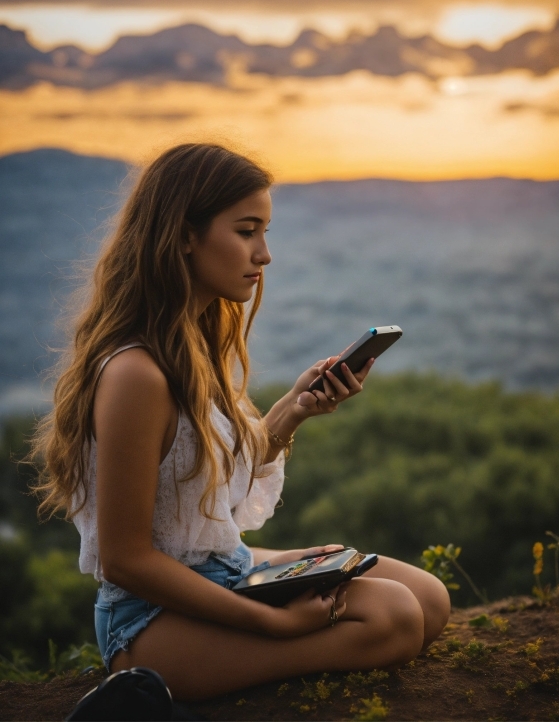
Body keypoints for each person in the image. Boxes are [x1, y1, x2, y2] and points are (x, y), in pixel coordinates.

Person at [32, 143, 450, 701]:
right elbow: (125, 559)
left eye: (265, 232)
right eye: (248, 231)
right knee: (395, 616)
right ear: (184, 234)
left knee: (428, 598)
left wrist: (291, 412)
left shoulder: (191, 344)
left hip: (223, 566)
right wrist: (270, 622)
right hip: (151, 621)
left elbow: (201, 481)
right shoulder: (136, 373)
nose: (264, 254)